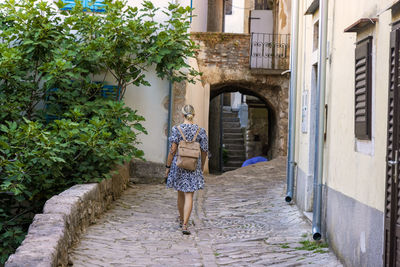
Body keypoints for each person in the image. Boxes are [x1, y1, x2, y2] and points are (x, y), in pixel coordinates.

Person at [165, 104, 208, 235]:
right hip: (193, 166)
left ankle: (182, 219)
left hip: (179, 164)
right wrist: (201, 167)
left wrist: (167, 167)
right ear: (193, 115)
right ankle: (185, 225)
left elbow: (172, 150)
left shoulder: (176, 129)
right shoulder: (200, 131)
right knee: (189, 194)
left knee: (180, 193)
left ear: (182, 115)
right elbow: (204, 151)